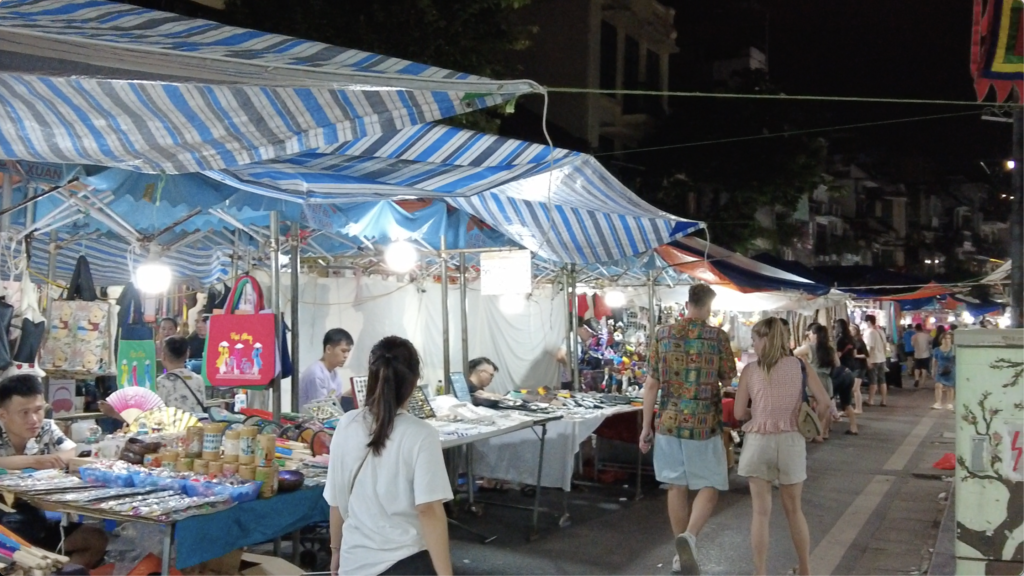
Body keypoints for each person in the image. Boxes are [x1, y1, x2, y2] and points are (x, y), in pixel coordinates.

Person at [324, 337, 453, 576]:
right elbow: (429, 511)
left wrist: (336, 551)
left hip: (354, 562)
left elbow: (335, 501)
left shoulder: (346, 423)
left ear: (372, 377)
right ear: (414, 382)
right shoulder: (422, 435)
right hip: (404, 562)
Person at [640, 283, 736, 575]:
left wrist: (646, 426)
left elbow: (651, 384)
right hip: (703, 424)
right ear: (709, 306)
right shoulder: (716, 337)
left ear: (686, 303)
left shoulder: (663, 334)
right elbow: (728, 378)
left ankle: (679, 555)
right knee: (712, 483)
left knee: (675, 485)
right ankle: (690, 537)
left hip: (668, 423)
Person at [734, 318, 830, 576]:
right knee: (794, 510)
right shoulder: (800, 366)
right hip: (792, 440)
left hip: (758, 442)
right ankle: (806, 569)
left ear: (765, 339)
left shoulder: (750, 370)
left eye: (754, 339)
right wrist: (813, 428)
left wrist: (762, 412)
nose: (752, 344)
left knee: (761, 513)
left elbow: (738, 411)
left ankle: (761, 572)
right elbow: (824, 402)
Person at [0, 375, 109, 568]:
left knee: (96, 539)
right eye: (24, 412)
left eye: (38, 410)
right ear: (3, 414)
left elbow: (77, 451)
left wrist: (49, 461)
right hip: (4, 527)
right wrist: (34, 461)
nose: (33, 419)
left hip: (35, 519)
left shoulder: (46, 429)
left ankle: (49, 567)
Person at [300, 329, 354, 411]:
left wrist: (351, 392)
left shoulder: (334, 374)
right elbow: (321, 410)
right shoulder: (316, 374)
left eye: (348, 352)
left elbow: (335, 404)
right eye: (343, 351)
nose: (346, 356)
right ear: (328, 349)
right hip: (308, 421)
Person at [156, 336, 207, 414]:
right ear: (187, 354)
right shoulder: (198, 380)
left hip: (174, 425)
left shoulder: (161, 382)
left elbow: (159, 413)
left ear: (163, 356)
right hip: (196, 425)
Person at [863, 315, 888, 407]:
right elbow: (885, 345)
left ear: (868, 322)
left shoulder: (870, 333)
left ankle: (871, 400)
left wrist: (867, 360)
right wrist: (884, 356)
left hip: (873, 359)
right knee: (882, 380)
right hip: (882, 359)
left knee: (873, 380)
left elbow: (869, 348)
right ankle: (884, 400)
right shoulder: (881, 331)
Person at [847, 324, 869, 413]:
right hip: (855, 366)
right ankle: (858, 407)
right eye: (850, 330)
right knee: (855, 388)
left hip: (860, 366)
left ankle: (859, 408)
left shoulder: (859, 341)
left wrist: (856, 356)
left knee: (855, 388)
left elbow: (866, 355)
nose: (851, 331)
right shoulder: (852, 341)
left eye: (853, 330)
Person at [932, 331, 956, 410]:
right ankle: (938, 402)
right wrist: (933, 370)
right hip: (940, 369)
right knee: (938, 385)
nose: (947, 340)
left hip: (951, 370)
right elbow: (934, 360)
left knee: (950, 387)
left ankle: (949, 403)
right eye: (945, 338)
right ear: (941, 339)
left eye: (949, 338)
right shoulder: (937, 350)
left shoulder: (954, 349)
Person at [911, 323, 932, 388]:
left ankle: (917, 379)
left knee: (917, 368)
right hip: (925, 354)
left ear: (915, 329)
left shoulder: (914, 337)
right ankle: (923, 382)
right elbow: (931, 340)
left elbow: (912, 345)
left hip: (917, 354)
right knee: (924, 368)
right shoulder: (926, 336)